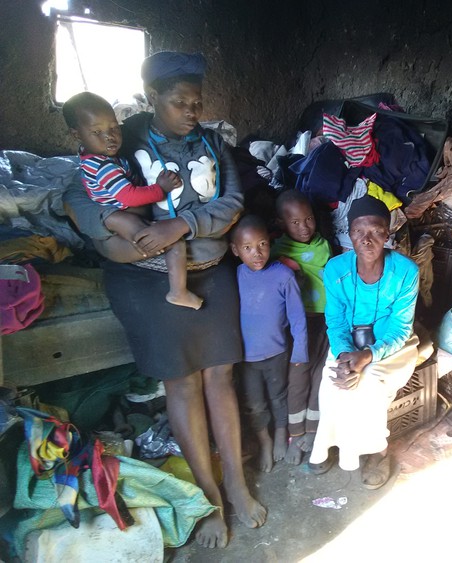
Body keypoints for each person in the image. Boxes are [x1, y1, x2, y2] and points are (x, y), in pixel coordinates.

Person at [62, 51, 266, 548]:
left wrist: (185, 222)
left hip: (209, 269)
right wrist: (112, 236)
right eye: (179, 103)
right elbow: (79, 196)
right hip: (146, 279)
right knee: (183, 384)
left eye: (197, 102)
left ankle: (236, 482)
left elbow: (233, 202)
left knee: (221, 374)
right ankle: (209, 497)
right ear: (151, 99)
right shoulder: (119, 137)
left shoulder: (214, 142)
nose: (191, 111)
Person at [307, 195, 420, 490]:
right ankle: (330, 445)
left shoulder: (406, 272)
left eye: (375, 231)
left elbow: (400, 328)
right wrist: (345, 354)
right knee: (333, 379)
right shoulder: (335, 270)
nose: (366, 240)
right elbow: (336, 321)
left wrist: (368, 355)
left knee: (369, 382)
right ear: (349, 233)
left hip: (391, 345)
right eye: (358, 231)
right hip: (347, 342)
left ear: (387, 233)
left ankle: (378, 452)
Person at [62, 92, 203, 310]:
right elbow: (129, 195)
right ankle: (178, 292)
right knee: (173, 241)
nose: (109, 136)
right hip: (126, 225)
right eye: (97, 132)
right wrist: (160, 189)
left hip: (126, 221)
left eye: (114, 128)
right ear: (76, 134)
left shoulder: (99, 157)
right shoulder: (103, 167)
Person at [229, 214, 308, 472]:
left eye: (262, 244)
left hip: (277, 353)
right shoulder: (235, 277)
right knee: (254, 402)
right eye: (248, 248)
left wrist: (300, 353)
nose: (257, 253)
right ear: (235, 250)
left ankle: (281, 433)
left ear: (270, 243)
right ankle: (264, 440)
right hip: (247, 358)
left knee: (279, 395)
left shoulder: (283, 275)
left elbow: (298, 319)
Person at [271, 189, 332, 465]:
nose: (304, 227)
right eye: (295, 222)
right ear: (282, 223)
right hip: (298, 323)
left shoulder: (324, 246)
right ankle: (295, 435)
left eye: (308, 219)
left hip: (326, 319)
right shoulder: (277, 252)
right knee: (298, 377)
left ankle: (313, 430)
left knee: (321, 374)